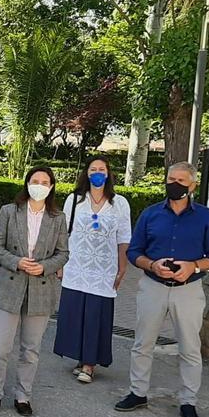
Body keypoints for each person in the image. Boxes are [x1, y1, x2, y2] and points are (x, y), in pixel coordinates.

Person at [115, 162, 209, 417]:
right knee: (143, 343)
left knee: (190, 348)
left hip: (188, 290)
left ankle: (188, 401)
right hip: (152, 286)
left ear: (193, 185)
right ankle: (138, 392)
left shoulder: (206, 217)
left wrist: (194, 266)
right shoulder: (151, 214)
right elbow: (134, 252)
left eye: (181, 181)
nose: (174, 184)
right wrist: (152, 265)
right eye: (170, 179)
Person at [0, 166, 70, 416]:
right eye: (35, 181)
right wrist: (16, 261)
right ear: (27, 183)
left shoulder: (58, 218)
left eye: (45, 182)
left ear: (51, 187)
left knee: (30, 349)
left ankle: (23, 396)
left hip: (40, 289)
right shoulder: (9, 212)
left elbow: (63, 253)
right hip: (9, 286)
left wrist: (43, 267)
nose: (39, 185)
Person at [53, 156, 131, 384]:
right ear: (86, 173)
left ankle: (90, 364)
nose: (97, 172)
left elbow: (124, 237)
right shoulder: (75, 200)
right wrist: (60, 264)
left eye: (102, 169)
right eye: (93, 169)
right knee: (75, 313)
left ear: (108, 173)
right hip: (76, 266)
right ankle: (80, 358)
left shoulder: (120, 203)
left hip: (104, 269)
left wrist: (122, 267)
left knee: (97, 314)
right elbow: (62, 233)